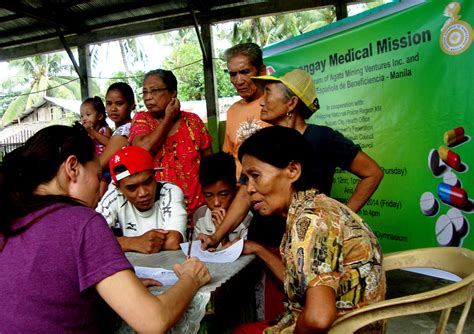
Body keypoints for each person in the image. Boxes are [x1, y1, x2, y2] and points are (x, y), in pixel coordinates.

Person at [0, 124, 210, 333]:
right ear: (73, 168)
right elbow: (153, 321)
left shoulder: (11, 217)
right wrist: (191, 278)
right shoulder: (81, 221)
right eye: (98, 174)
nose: (98, 187)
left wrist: (119, 285)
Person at [198, 68, 383, 249]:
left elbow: (372, 173)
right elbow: (246, 192)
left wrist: (340, 219)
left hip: (305, 245)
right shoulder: (263, 142)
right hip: (263, 242)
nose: (261, 102)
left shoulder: (322, 138)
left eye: (268, 93)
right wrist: (216, 237)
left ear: (291, 103)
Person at [234, 126, 385, 333]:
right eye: (246, 179)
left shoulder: (310, 222)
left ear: (293, 171)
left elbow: (318, 319)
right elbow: (300, 279)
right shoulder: (313, 207)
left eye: (256, 175)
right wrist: (259, 249)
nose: (250, 188)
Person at [129, 69, 213, 216]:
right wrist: (168, 118)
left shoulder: (193, 121)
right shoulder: (142, 119)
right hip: (161, 212)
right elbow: (142, 149)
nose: (148, 98)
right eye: (145, 92)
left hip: (199, 209)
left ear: (173, 92)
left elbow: (210, 164)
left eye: (154, 91)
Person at [96, 145, 187, 254]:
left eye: (148, 182)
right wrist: (134, 243)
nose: (143, 193)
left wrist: (120, 242)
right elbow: (92, 238)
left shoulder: (170, 191)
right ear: (118, 187)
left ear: (154, 176)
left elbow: (173, 241)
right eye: (132, 188)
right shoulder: (114, 196)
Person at [223, 42, 270, 177]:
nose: (239, 81)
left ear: (261, 71)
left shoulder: (277, 105)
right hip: (239, 189)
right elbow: (229, 155)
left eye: (244, 72)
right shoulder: (232, 111)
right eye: (233, 74)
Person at [193, 152, 252, 247]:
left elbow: (245, 260)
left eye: (223, 195)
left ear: (235, 190)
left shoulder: (246, 219)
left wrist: (222, 235)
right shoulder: (200, 215)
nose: (216, 203)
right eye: (208, 195)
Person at [99, 82, 135, 173]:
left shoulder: (124, 131)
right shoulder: (127, 128)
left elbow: (99, 165)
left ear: (131, 104)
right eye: (109, 103)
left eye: (119, 104)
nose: (113, 109)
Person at [80, 96, 113, 196]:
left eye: (88, 114)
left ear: (99, 116)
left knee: (100, 194)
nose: (84, 118)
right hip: (93, 167)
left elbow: (109, 143)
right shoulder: (85, 135)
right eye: (81, 116)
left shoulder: (105, 130)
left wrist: (92, 132)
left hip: (105, 168)